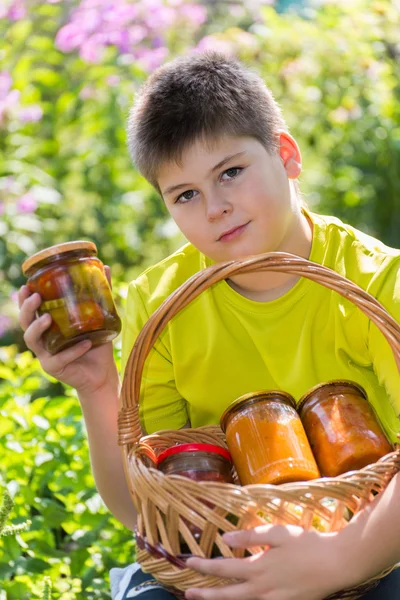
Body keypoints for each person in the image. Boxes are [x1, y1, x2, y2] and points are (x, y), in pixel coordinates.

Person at [18, 52, 400, 600]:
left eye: (231, 172)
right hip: (223, 552)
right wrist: (97, 386)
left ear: (286, 155)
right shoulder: (162, 301)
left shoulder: (376, 283)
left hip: (369, 546)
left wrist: (340, 560)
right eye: (187, 195)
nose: (216, 207)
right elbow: (145, 510)